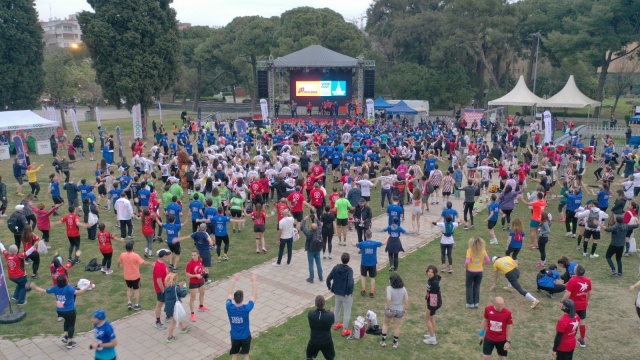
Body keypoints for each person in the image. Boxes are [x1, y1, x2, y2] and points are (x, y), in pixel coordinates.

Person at [30, 275, 91, 349]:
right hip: (70, 310)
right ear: (65, 281)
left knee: (66, 321)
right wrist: (86, 288)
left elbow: (44, 291)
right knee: (71, 325)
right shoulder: (69, 288)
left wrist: (35, 287)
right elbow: (78, 292)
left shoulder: (55, 288)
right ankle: (70, 342)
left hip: (60, 311)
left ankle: (65, 337)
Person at [226, 273, 258, 360]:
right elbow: (254, 297)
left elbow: (229, 293)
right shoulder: (246, 309)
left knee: (234, 355)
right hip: (245, 336)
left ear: (234, 299)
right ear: (243, 299)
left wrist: (234, 280)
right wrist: (254, 281)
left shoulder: (229, 307)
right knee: (246, 355)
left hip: (235, 337)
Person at [561, 265, 591, 348]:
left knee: (571, 321)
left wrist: (562, 301)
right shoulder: (588, 280)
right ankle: (582, 340)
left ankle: (569, 339)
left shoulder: (573, 280)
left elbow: (568, 293)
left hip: (573, 305)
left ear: (576, 272)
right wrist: (587, 301)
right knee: (582, 322)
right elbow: (589, 292)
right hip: (583, 304)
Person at [117, 241, 151, 311]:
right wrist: (151, 263)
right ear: (132, 248)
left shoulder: (122, 255)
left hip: (127, 276)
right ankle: (136, 305)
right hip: (135, 277)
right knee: (136, 290)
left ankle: (129, 303)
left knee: (129, 288)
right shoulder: (135, 255)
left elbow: (118, 262)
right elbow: (143, 263)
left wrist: (119, 266)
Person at [326, 252, 354, 337]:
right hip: (345, 294)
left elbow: (328, 278)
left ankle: (336, 324)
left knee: (337, 309)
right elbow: (350, 283)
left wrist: (330, 288)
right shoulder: (349, 270)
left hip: (337, 292)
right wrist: (348, 292)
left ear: (341, 259)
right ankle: (345, 330)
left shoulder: (335, 268)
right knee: (347, 312)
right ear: (348, 260)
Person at [351, 229, 385, 298]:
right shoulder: (375, 243)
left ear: (365, 236)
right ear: (371, 235)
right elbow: (384, 243)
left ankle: (363, 290)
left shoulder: (363, 244)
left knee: (363, 276)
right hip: (372, 264)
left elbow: (353, 244)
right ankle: (372, 292)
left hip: (364, 263)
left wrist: (351, 240)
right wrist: (387, 237)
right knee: (372, 278)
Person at [380, 273, 409, 348]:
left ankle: (383, 341)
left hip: (391, 309)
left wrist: (388, 308)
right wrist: (406, 309)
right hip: (399, 310)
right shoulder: (403, 289)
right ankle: (395, 343)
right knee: (397, 327)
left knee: (386, 324)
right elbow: (406, 299)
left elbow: (389, 299)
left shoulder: (389, 288)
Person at [164, 273, 191, 342]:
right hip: (174, 307)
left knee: (177, 317)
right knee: (173, 321)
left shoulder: (167, 287)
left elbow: (174, 289)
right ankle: (169, 337)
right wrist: (185, 287)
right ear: (174, 280)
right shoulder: (176, 288)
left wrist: (179, 285)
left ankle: (183, 328)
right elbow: (183, 294)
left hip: (169, 307)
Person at [306, 295, 335, 360]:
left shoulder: (310, 314)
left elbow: (319, 317)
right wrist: (330, 312)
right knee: (330, 357)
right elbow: (327, 318)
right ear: (324, 303)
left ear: (315, 304)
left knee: (309, 355)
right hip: (327, 341)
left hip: (314, 341)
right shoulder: (330, 315)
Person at [185, 250, 211, 322]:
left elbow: (201, 267)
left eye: (194, 255)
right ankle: (192, 314)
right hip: (193, 282)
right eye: (192, 255)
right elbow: (187, 274)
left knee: (202, 293)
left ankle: (201, 306)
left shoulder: (200, 260)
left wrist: (203, 272)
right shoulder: (190, 264)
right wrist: (195, 275)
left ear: (198, 255)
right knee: (193, 298)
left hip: (201, 281)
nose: (193, 257)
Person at [465, 236, 490, 309]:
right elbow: (488, 260)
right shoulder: (483, 251)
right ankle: (476, 302)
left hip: (470, 271)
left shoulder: (469, 251)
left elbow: (467, 261)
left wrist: (466, 266)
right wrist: (482, 263)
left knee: (469, 286)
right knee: (477, 286)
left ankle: (470, 303)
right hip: (479, 271)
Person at [301, 214, 323, 283]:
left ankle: (311, 278)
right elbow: (320, 225)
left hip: (310, 250)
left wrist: (304, 220)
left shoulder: (308, 233)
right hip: (317, 249)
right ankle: (320, 276)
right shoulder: (319, 231)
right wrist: (316, 218)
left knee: (311, 264)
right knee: (318, 263)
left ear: (310, 228)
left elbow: (303, 227)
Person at [423, 265, 442, 345]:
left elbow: (434, 295)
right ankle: (432, 333)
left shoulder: (434, 282)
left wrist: (432, 308)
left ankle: (432, 339)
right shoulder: (432, 279)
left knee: (427, 319)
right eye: (429, 271)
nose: (430, 273)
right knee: (431, 318)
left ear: (435, 273)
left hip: (433, 303)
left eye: (432, 272)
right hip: (432, 301)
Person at [153, 249, 170, 329]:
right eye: (166, 255)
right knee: (159, 305)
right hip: (161, 289)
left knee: (167, 301)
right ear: (163, 257)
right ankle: (158, 322)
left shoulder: (161, 263)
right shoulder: (158, 267)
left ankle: (168, 316)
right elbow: (158, 280)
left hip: (165, 287)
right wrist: (163, 290)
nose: (167, 257)